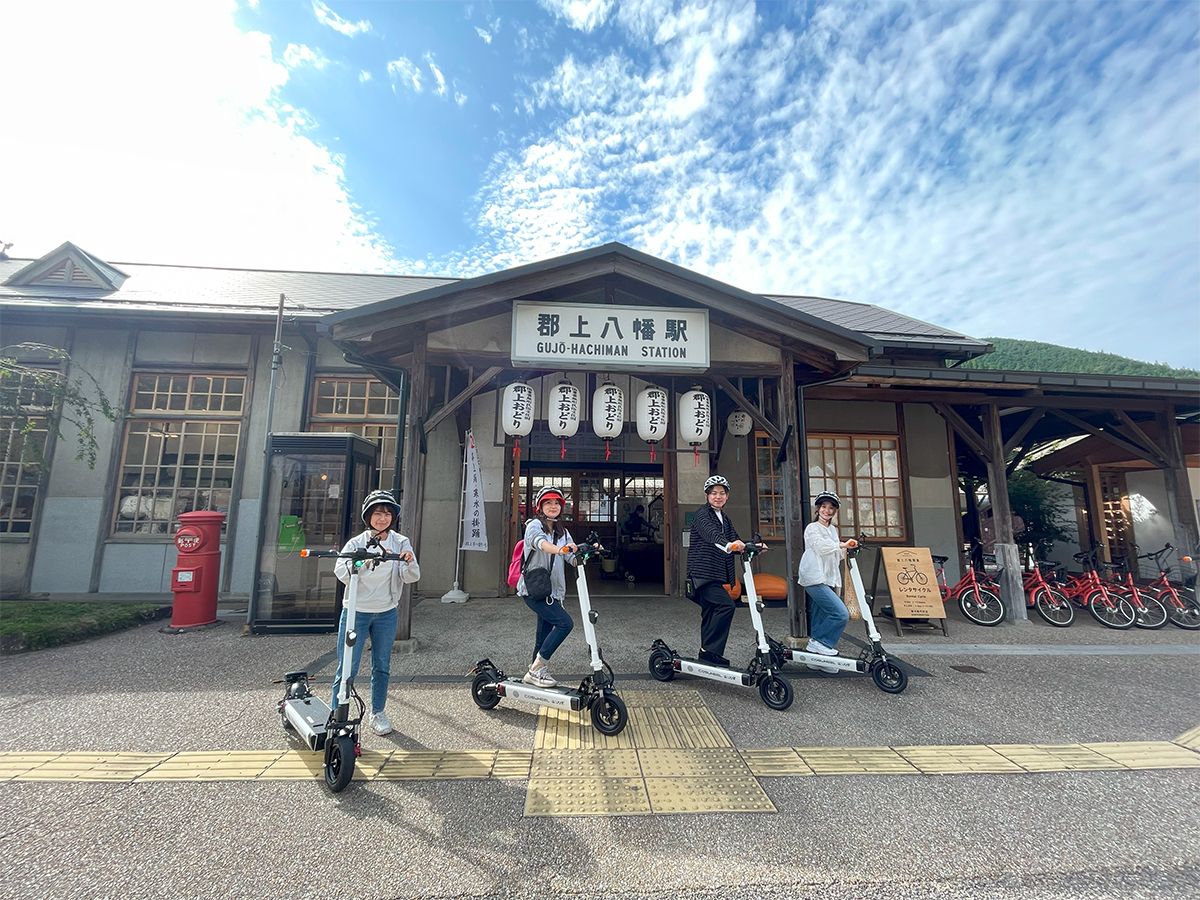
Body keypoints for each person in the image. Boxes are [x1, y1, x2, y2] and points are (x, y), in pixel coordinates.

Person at [330, 489, 420, 736]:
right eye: (378, 513)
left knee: (381, 665)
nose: (383, 518)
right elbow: (342, 570)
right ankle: (337, 716)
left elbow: (412, 576)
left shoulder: (400, 542)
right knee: (347, 666)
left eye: (388, 514)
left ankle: (377, 712)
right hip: (356, 612)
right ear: (368, 516)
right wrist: (364, 563)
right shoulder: (356, 543)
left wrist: (409, 561)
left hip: (386, 612)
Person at [518, 485, 582, 688]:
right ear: (540, 506)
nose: (553, 506)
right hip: (534, 589)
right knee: (565, 624)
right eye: (548, 502)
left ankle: (534, 672)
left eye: (557, 503)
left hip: (553, 591)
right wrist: (560, 549)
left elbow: (571, 557)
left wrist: (586, 553)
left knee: (543, 635)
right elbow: (539, 543)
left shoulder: (562, 531)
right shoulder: (534, 526)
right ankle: (536, 669)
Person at [686, 475, 746, 666]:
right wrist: (729, 544)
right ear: (707, 496)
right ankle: (712, 653)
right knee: (725, 606)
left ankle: (706, 654)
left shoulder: (724, 518)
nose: (717, 497)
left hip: (715, 575)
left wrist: (752, 545)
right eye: (713, 493)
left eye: (721, 493)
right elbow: (711, 534)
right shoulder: (702, 515)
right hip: (702, 574)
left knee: (711, 611)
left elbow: (735, 538)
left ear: (727, 496)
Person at [796, 490, 851, 674]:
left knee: (821, 616)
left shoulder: (832, 530)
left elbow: (835, 554)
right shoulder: (812, 528)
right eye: (824, 507)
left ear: (835, 511)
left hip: (828, 578)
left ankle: (816, 659)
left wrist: (848, 549)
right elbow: (820, 547)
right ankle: (821, 643)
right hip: (813, 578)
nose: (827, 510)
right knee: (840, 613)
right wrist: (840, 545)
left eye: (831, 507)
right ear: (818, 508)